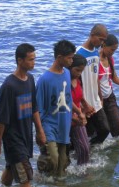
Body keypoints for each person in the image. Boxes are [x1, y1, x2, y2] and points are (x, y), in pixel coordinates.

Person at [0, 43, 46, 187]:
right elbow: (1, 119)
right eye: (30, 59)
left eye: (34, 59)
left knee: (11, 170)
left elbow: (34, 108)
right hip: (13, 140)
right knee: (26, 178)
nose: (34, 62)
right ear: (20, 60)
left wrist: (40, 131)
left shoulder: (30, 79)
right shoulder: (9, 86)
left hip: (25, 136)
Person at [36, 40, 75, 180]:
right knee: (52, 158)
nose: (72, 61)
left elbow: (68, 99)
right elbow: (38, 109)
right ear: (59, 58)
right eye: (69, 57)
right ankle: (39, 176)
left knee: (62, 163)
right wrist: (39, 131)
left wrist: (77, 113)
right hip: (49, 125)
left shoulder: (67, 74)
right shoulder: (44, 80)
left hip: (64, 124)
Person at [76, 24, 110, 144]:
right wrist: (82, 102)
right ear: (92, 35)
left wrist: (100, 97)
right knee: (86, 133)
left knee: (105, 130)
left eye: (104, 40)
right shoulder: (79, 53)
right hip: (83, 102)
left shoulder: (95, 53)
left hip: (95, 100)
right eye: (100, 39)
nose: (102, 43)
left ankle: (91, 150)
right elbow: (75, 81)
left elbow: (95, 77)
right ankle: (82, 154)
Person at [68, 54, 95, 165]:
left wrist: (85, 105)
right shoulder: (65, 82)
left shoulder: (77, 80)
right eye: (77, 70)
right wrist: (76, 116)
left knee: (85, 147)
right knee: (69, 149)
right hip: (68, 117)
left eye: (81, 71)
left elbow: (79, 95)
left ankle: (82, 170)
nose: (79, 73)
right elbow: (66, 101)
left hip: (78, 116)